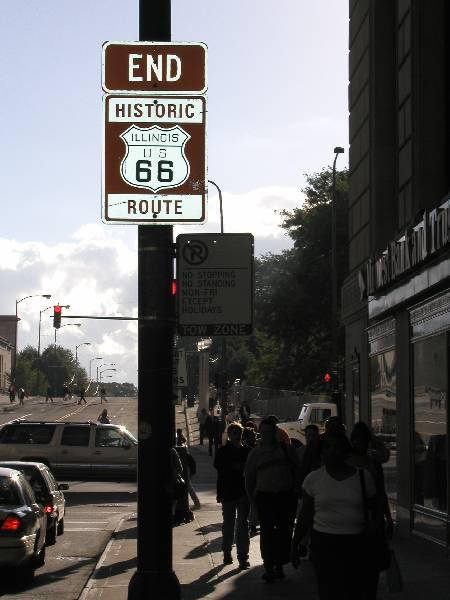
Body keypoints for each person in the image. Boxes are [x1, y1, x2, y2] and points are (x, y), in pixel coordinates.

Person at [291, 430, 379, 600]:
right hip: (325, 544)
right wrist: (295, 544)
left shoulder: (363, 477)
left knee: (356, 590)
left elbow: (375, 510)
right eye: (328, 448)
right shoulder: (313, 479)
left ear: (345, 451)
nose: (333, 452)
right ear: (322, 453)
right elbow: (305, 515)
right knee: (330, 591)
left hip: (357, 544)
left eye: (338, 448)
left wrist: (377, 535)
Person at [245, 417, 300, 582]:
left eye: (270, 432)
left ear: (275, 433)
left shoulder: (286, 449)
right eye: (265, 432)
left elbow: (297, 470)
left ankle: (280, 564)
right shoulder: (255, 454)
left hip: (285, 497)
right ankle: (268, 566)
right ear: (260, 434)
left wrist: (296, 491)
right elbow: (248, 479)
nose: (267, 435)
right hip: (265, 498)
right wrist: (252, 503)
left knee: (284, 532)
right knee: (267, 533)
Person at [348, 421, 394, 599]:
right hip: (371, 521)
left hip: (352, 521)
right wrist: (388, 519)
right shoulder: (373, 464)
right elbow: (380, 494)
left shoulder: (344, 461)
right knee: (369, 571)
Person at [214, 422, 251, 568]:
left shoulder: (247, 451)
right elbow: (220, 469)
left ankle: (242, 556)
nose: (236, 435)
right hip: (229, 492)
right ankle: (227, 553)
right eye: (234, 432)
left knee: (241, 525)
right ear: (229, 435)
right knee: (229, 525)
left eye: (238, 432)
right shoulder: (223, 451)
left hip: (241, 492)